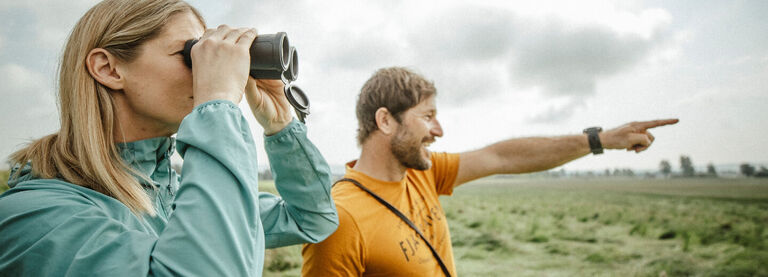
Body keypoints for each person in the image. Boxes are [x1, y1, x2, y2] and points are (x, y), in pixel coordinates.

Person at [0, 0, 337, 276]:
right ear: (109, 69)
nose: (206, 70)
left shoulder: (171, 192)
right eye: (192, 54)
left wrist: (279, 124)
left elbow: (312, 219)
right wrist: (216, 104)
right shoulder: (35, 216)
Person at [301, 67, 678, 276]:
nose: (439, 131)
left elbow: (502, 157)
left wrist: (599, 140)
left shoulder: (423, 174)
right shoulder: (341, 219)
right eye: (427, 117)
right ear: (385, 120)